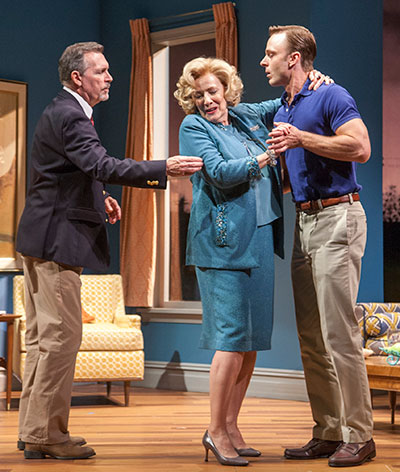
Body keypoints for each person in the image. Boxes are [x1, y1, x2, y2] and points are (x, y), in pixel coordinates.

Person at [16, 41, 203, 461]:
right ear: (78, 78)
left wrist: (98, 199)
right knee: (62, 338)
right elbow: (102, 164)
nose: (110, 77)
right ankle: (46, 434)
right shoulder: (72, 116)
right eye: (101, 71)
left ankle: (35, 430)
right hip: (54, 242)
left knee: (44, 340)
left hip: (40, 237)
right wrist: (163, 168)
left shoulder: (63, 112)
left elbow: (69, 173)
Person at [174, 57, 328, 467]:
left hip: (259, 240)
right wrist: (265, 158)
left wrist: (313, 79)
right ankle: (215, 430)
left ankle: (231, 424)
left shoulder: (242, 116)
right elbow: (222, 173)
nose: (207, 100)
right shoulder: (194, 128)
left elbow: (285, 98)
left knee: (251, 341)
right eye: (198, 95)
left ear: (227, 90)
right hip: (222, 245)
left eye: (213, 91)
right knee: (230, 340)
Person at [261, 25, 375, 467]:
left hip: (338, 217)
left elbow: (361, 147)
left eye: (270, 53)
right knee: (311, 335)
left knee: (338, 332)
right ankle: (329, 430)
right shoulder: (286, 104)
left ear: (294, 58)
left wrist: (300, 137)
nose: (264, 61)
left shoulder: (332, 96)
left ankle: (360, 435)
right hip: (304, 221)